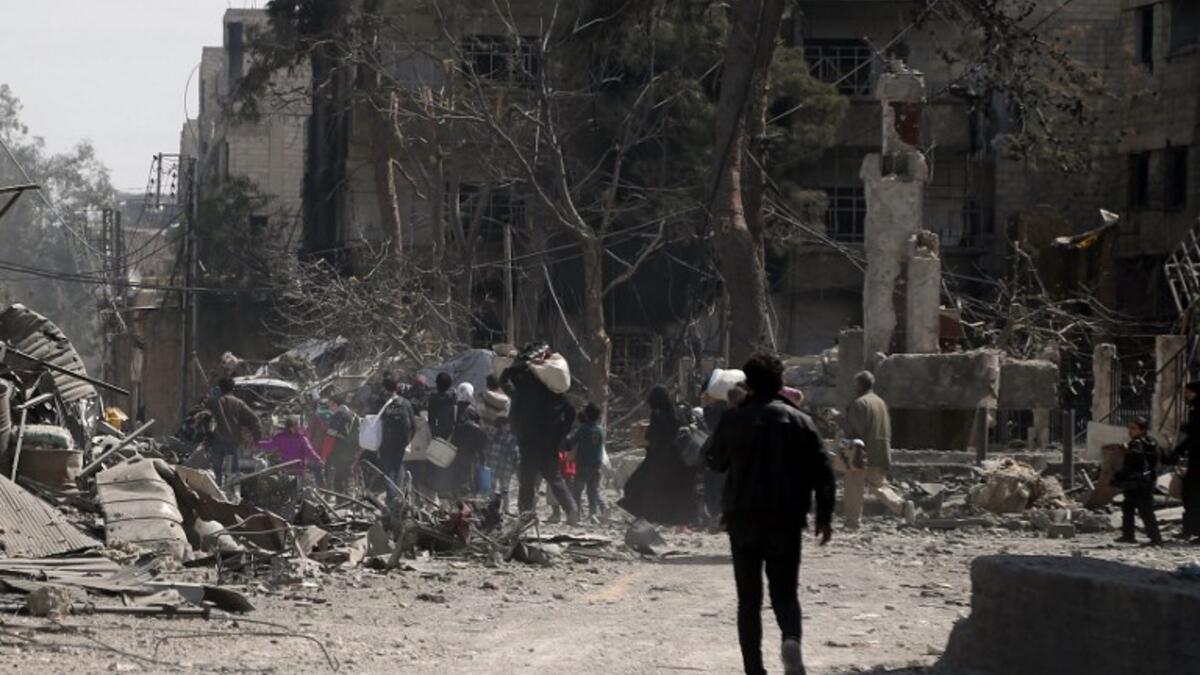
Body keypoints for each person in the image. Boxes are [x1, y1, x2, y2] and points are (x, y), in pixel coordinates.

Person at [706, 353, 835, 675]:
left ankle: (755, 669)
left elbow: (713, 461)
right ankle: (790, 640)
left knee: (748, 600)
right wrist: (825, 517)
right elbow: (824, 473)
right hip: (786, 520)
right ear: (781, 383)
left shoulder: (734, 419)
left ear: (748, 385)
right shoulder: (801, 421)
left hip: (743, 520)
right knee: (785, 594)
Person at [500, 346, 579, 524]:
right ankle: (572, 510)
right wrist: (562, 433)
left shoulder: (523, 391)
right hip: (550, 443)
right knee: (555, 478)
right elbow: (571, 412)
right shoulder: (554, 393)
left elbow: (504, 380)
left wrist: (517, 365)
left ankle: (525, 514)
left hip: (529, 442)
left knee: (527, 482)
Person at [841, 371, 913, 529]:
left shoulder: (859, 403)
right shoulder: (880, 402)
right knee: (878, 486)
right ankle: (903, 508)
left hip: (860, 453)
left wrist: (841, 421)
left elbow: (855, 430)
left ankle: (852, 521)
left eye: (856, 384)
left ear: (860, 385)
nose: (854, 388)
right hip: (880, 451)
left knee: (853, 486)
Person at [619, 386, 697, 526]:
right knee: (669, 489)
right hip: (675, 458)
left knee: (641, 485)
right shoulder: (677, 413)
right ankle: (670, 518)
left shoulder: (658, 414)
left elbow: (654, 436)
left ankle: (649, 515)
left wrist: (647, 434)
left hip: (658, 458)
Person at [1114, 417, 1163, 546]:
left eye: (1133, 428)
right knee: (1128, 506)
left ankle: (1156, 539)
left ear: (1142, 430)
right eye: (1129, 428)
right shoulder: (1150, 442)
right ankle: (1128, 535)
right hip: (1139, 481)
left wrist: (1127, 450)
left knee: (1145, 510)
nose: (1130, 431)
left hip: (1141, 482)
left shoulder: (1138, 443)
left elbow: (1137, 458)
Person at [208, 377, 262, 486]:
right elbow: (255, 420)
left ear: (220, 388)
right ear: (233, 388)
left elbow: (204, 418)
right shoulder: (238, 403)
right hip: (233, 441)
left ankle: (217, 493)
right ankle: (234, 496)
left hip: (216, 440)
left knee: (216, 471)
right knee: (233, 473)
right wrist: (256, 439)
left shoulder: (213, 401)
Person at [379, 374, 416, 500]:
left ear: (385, 388)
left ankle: (391, 497)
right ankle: (398, 496)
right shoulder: (406, 403)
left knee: (388, 470)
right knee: (399, 466)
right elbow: (414, 425)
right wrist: (408, 441)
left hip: (386, 443)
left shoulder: (383, 403)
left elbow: (377, 424)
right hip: (402, 443)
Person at [1171, 381, 1200, 541]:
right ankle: (1189, 530)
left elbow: (1195, 436)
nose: (1185, 395)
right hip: (1195, 459)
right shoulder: (1194, 410)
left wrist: (1179, 450)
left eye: (1187, 392)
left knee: (1193, 494)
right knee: (1189, 494)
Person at [569, 403, 607, 522]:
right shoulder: (600, 430)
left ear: (586, 414)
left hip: (583, 466)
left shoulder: (583, 429)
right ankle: (592, 514)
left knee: (577, 490)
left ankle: (577, 514)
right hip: (596, 466)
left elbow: (572, 442)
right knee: (592, 492)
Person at [257, 416, 325, 479]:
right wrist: (319, 460)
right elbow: (310, 451)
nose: (299, 427)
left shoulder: (282, 437)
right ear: (291, 427)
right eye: (297, 425)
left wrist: (256, 444)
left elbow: (269, 444)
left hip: (291, 468)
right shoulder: (300, 438)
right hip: (296, 469)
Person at [324, 395, 360, 492]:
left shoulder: (337, 416)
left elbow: (330, 435)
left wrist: (325, 452)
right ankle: (351, 495)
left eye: (330, 405)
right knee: (348, 473)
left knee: (338, 476)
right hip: (352, 449)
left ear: (335, 404)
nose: (329, 407)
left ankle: (340, 500)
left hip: (339, 450)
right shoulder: (352, 415)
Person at [485, 415, 520, 513]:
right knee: (505, 489)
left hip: (492, 466)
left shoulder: (491, 435)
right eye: (507, 425)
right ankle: (506, 509)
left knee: (491, 488)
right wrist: (516, 466)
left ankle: (492, 508)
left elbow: (487, 449)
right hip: (506, 468)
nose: (509, 426)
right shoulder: (511, 437)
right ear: (503, 425)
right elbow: (515, 453)